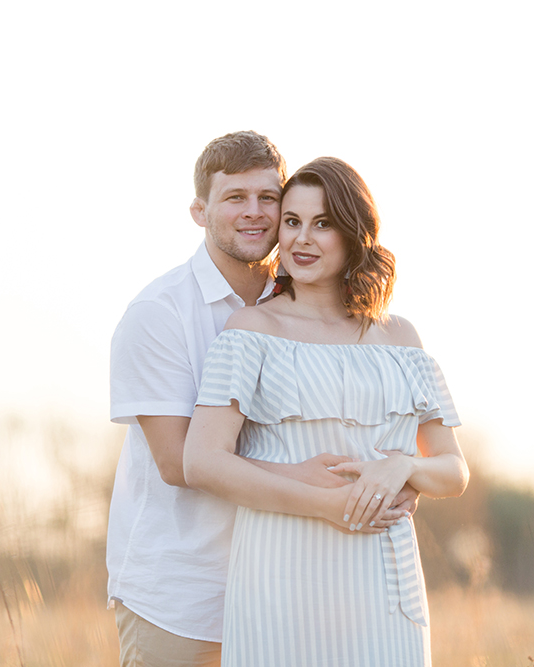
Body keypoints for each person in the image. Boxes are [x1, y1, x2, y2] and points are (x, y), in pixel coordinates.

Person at [107, 133, 414, 667]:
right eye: (235, 198)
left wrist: (388, 480)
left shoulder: (307, 299)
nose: (255, 213)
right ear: (200, 212)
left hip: (291, 587)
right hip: (184, 594)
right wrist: (317, 481)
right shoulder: (158, 314)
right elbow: (180, 463)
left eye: (268, 198)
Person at [184, 157, 470, 666]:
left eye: (323, 223)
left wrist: (403, 465)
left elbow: (453, 471)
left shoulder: (400, 338)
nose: (302, 239)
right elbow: (202, 461)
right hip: (280, 576)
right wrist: (325, 507)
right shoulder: (252, 331)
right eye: (292, 222)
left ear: (355, 233)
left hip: (384, 580)